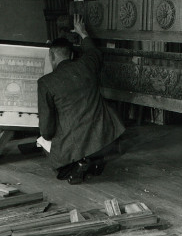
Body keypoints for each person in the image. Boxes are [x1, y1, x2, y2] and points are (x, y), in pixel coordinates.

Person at [37, 14, 125, 184]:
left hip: (75, 146)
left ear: (51, 57)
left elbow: (47, 131)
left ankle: (77, 166)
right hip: (105, 139)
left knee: (52, 154)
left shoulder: (45, 83)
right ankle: (93, 161)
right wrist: (82, 32)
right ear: (71, 56)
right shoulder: (87, 65)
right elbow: (94, 52)